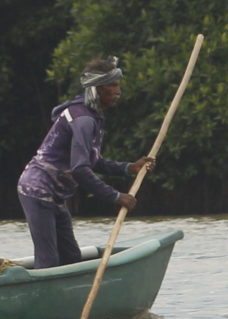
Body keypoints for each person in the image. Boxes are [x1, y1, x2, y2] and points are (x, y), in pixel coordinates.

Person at [15, 55, 154, 269]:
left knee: (71, 258)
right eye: (113, 86)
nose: (118, 91)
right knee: (48, 261)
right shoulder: (84, 119)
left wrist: (128, 168)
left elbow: (92, 160)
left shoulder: (92, 116)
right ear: (97, 89)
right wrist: (116, 197)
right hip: (38, 190)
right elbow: (80, 169)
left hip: (56, 195)